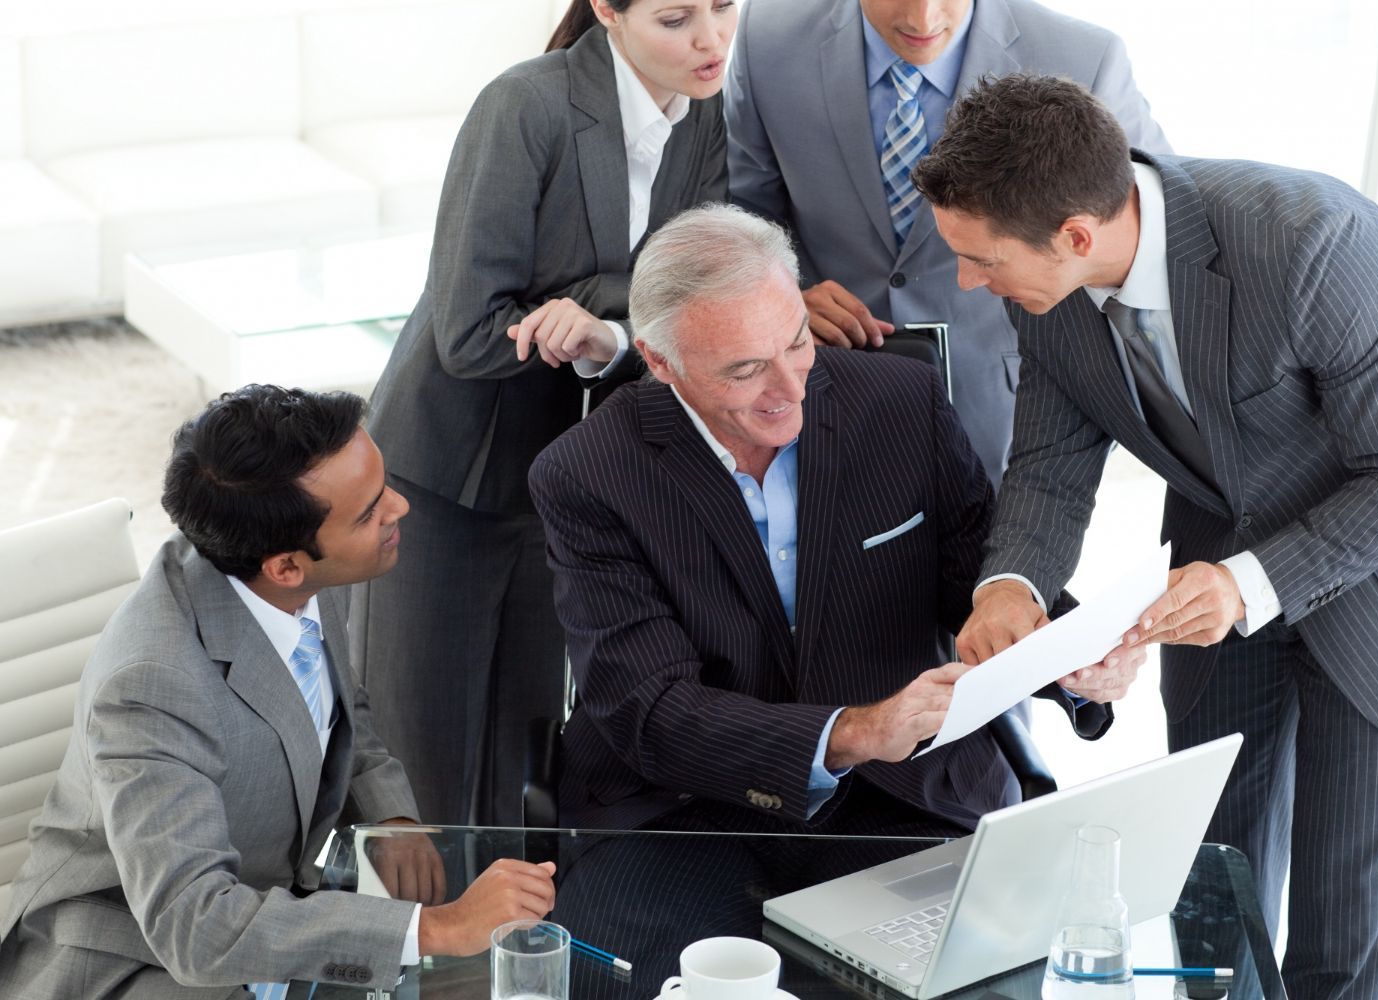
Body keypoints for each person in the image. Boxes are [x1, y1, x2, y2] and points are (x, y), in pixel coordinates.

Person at [912, 74, 1378, 998]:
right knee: (1210, 887)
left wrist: (1242, 583)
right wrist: (1009, 589)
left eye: (981, 259)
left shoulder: (1315, 241)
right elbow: (1050, 469)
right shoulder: (1052, 294)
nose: (964, 281)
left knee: (1341, 932)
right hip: (1217, 593)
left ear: (1074, 235)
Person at [528, 204, 1142, 837]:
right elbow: (649, 710)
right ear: (659, 361)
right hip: (682, 810)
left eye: (796, 343)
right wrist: (854, 732)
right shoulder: (584, 474)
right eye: (744, 371)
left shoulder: (903, 403)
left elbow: (981, 586)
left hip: (904, 792)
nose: (791, 390)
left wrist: (1072, 657)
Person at [0, 386, 557, 1000]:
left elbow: (339, 708)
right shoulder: (149, 686)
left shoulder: (294, 562)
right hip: (134, 953)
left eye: (384, 485)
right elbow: (196, 929)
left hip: (276, 903)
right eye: (370, 512)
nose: (399, 507)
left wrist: (388, 813)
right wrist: (438, 928)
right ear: (287, 566)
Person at [355, 0, 737, 826]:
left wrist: (606, 331)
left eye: (725, 6)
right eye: (677, 19)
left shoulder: (706, 116)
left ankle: (508, 944)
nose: (711, 39)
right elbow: (465, 332)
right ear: (608, 11)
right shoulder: (526, 106)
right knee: (423, 760)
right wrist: (613, 316)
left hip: (563, 482)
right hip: (448, 469)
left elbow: (692, 300)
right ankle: (422, 946)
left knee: (525, 750)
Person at [724, 0, 1170, 483]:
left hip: (1010, 405)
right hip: (829, 388)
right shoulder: (765, 37)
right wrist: (785, 298)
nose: (924, 20)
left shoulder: (1086, 56)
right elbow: (746, 209)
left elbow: (1149, 230)